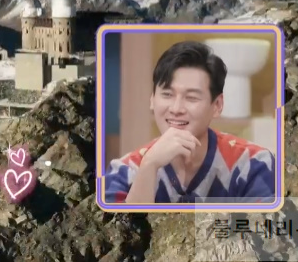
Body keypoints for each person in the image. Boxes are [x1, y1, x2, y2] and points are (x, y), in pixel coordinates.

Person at [104, 40, 276, 204]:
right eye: (167, 95)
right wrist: (149, 166)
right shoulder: (124, 171)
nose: (176, 108)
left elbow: (262, 225)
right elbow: (117, 225)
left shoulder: (254, 164)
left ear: (217, 105)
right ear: (152, 99)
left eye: (191, 97)